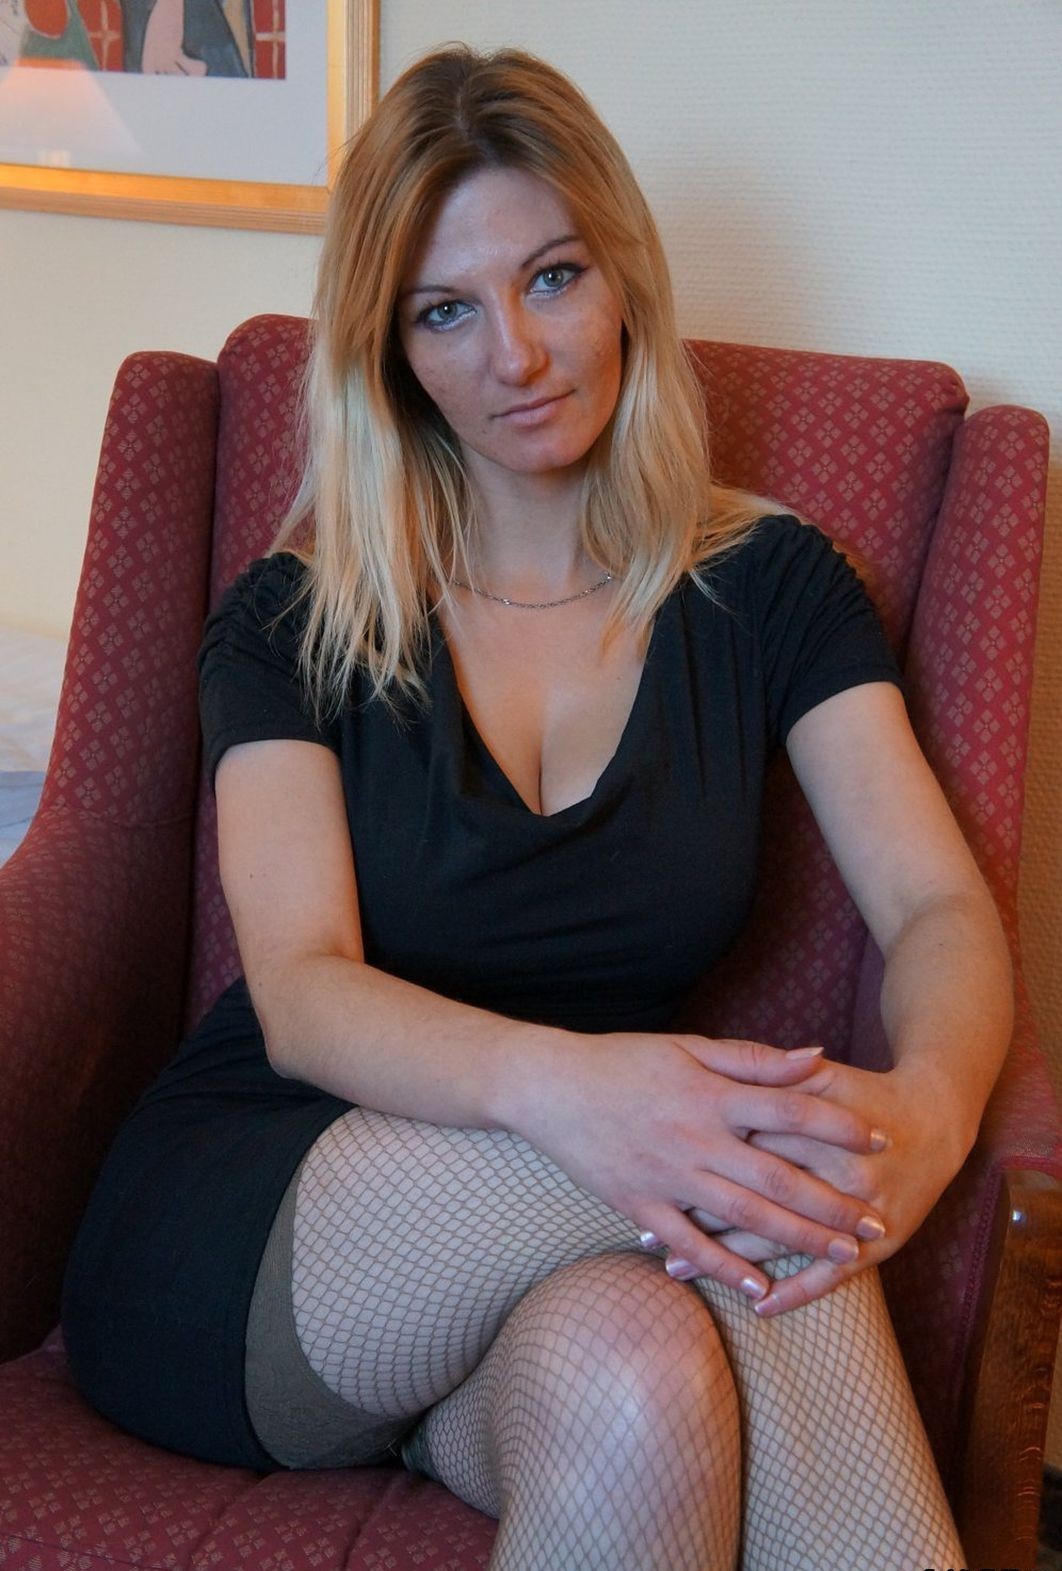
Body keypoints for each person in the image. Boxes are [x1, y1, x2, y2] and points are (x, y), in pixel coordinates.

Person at [62, 43, 1013, 1571]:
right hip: (270, 1224)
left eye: (552, 277)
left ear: (622, 275)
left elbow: (934, 905)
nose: (515, 353)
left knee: (643, 1386)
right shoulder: (297, 618)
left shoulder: (770, 586)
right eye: (444, 311)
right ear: (388, 352)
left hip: (554, 1274)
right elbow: (301, 992)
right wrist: (582, 1095)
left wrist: (930, 1111)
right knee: (752, 1185)